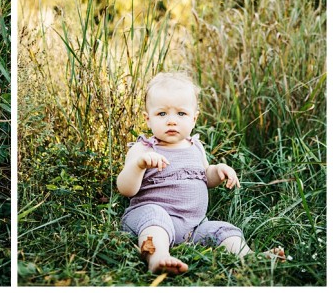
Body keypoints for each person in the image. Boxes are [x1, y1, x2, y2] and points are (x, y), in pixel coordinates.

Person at [116, 72, 285, 274]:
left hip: (194, 227)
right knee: (155, 219)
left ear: (194, 118)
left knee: (224, 230)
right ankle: (157, 257)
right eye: (162, 114)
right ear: (148, 119)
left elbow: (205, 176)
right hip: (149, 217)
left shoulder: (196, 147)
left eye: (181, 114)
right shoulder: (143, 149)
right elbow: (125, 188)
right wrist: (139, 165)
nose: (171, 121)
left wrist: (218, 171)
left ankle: (247, 257)